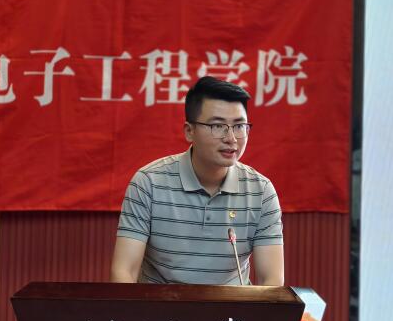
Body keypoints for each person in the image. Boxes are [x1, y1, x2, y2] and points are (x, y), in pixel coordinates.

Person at [110, 76, 284, 285]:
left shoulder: (261, 192)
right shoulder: (148, 183)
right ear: (189, 131)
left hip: (231, 306)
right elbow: (124, 272)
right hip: (160, 304)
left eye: (239, 126)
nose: (231, 138)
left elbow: (271, 280)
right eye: (218, 126)